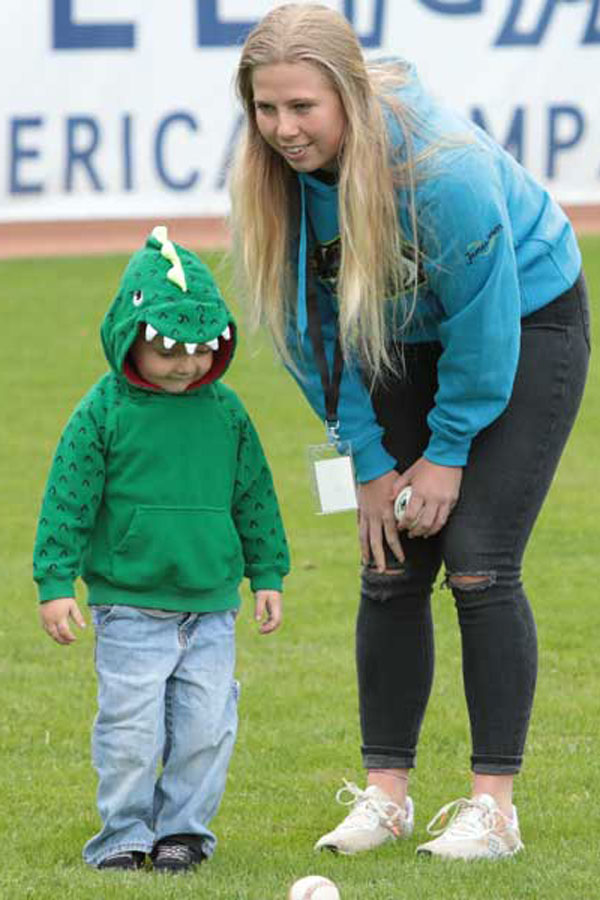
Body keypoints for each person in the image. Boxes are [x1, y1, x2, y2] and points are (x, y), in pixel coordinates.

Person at [229, 3, 590, 860]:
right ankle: (385, 797)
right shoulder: (275, 177)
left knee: (476, 554)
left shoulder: (443, 171)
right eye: (266, 109)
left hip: (523, 319)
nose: (282, 129)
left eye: (302, 108)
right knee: (387, 558)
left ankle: (493, 811)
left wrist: (446, 452)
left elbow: (485, 327)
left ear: (348, 95)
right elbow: (313, 332)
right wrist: (367, 459)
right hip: (390, 334)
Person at [33, 226, 290, 872]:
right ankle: (122, 832)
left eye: (202, 348)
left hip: (210, 607)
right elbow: (67, 497)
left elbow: (254, 495)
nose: (187, 363)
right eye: (169, 347)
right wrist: (55, 583)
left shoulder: (226, 412)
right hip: (129, 608)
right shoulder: (103, 412)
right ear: (131, 333)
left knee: (206, 729)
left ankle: (183, 831)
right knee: (130, 732)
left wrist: (267, 574)